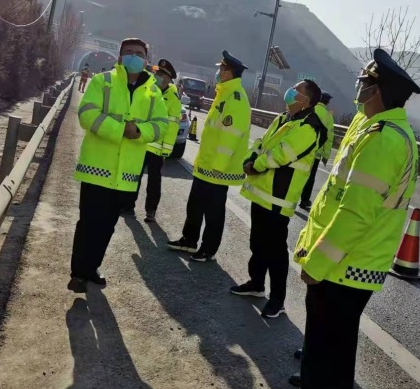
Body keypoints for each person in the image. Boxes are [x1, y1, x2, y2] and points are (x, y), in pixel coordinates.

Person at [252, 48, 420, 389]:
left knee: (320, 369)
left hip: (343, 267)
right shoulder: (377, 127)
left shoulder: (383, 139)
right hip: (355, 266)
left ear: (378, 91)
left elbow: (354, 214)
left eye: (366, 82)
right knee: (338, 363)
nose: (359, 86)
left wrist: (318, 263)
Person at [68, 38, 168, 293]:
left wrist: (140, 132)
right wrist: (121, 129)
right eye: (129, 52)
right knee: (89, 222)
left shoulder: (153, 91)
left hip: (126, 173)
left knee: (108, 225)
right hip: (96, 168)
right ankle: (78, 273)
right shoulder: (103, 82)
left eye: (139, 53)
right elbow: (87, 114)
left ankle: (92, 267)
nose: (134, 56)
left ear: (145, 60)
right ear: (120, 57)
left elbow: (161, 125)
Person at [230, 80, 326, 319]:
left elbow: (281, 155)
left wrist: (256, 165)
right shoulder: (284, 118)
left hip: (278, 197)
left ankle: (277, 299)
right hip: (261, 192)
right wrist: (249, 159)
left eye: (297, 90)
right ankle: (256, 283)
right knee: (258, 243)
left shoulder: (309, 127)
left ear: (306, 100)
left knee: (275, 251)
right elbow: (261, 143)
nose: (291, 91)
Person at [167, 50, 251, 262]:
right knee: (195, 205)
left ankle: (208, 250)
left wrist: (219, 165)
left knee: (213, 212)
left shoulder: (236, 97)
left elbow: (230, 136)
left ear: (229, 72)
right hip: (206, 164)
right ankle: (189, 240)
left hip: (217, 168)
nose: (218, 72)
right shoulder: (224, 93)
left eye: (221, 69)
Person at [121, 59, 182, 222]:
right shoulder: (147, 89)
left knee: (154, 181)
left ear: (169, 78)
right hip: (140, 141)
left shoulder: (173, 98)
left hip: (157, 148)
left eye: (161, 73)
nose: (157, 75)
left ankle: (151, 210)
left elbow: (172, 126)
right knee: (134, 175)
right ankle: (127, 205)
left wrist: (167, 149)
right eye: (157, 72)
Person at [299, 91, 335, 211]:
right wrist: (326, 155)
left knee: (296, 172)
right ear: (327, 102)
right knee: (310, 177)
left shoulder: (308, 109)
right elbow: (329, 138)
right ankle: (304, 201)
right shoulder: (328, 116)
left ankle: (291, 196)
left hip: (300, 148)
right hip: (315, 153)